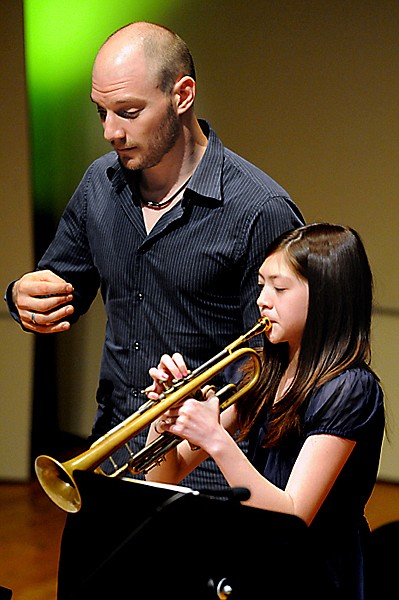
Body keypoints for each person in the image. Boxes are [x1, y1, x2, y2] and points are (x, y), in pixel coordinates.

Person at [4, 21, 304, 490]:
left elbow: (277, 366)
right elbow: (59, 288)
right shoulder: (98, 186)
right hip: (111, 452)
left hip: (209, 471)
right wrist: (23, 296)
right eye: (100, 112)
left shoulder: (260, 210)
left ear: (182, 95)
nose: (110, 131)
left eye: (127, 111)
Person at [144, 223, 385, 598]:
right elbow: (165, 477)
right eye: (261, 285)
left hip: (318, 577)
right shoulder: (260, 371)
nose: (262, 299)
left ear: (325, 297)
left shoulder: (350, 388)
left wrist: (214, 437)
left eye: (280, 287)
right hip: (261, 564)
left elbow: (292, 516)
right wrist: (164, 418)